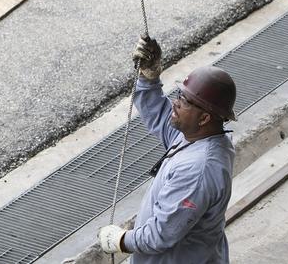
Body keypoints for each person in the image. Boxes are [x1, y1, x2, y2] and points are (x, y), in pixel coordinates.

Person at [96, 37, 236, 262]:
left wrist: (121, 240)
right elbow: (159, 116)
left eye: (186, 101)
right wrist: (148, 78)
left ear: (205, 117)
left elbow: (160, 235)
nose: (176, 102)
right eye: (179, 95)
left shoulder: (198, 171)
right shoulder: (197, 135)